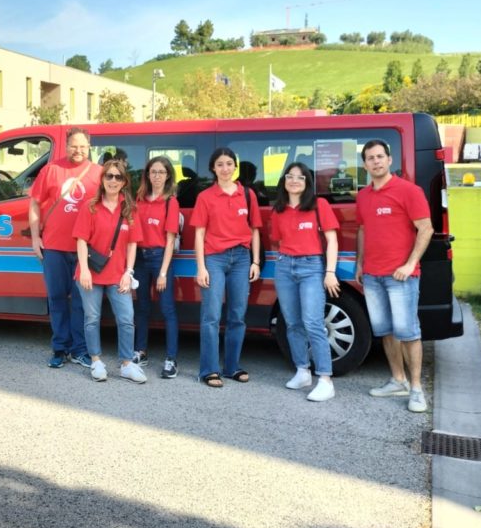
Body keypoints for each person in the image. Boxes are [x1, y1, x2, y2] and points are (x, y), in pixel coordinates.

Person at [355, 139, 434, 413]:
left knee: (409, 332)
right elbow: (364, 230)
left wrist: (411, 264)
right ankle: (397, 380)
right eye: (370, 158)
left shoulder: (408, 191)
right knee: (386, 332)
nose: (375, 162)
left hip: (401, 276)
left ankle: (416, 390)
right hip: (373, 276)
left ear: (390, 160)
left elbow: (426, 229)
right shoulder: (363, 196)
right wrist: (360, 263)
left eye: (380, 157)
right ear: (364, 164)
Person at [29, 128, 102, 369]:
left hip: (85, 251)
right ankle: (60, 348)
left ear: (89, 146)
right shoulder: (51, 170)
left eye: (82, 146)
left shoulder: (99, 174)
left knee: (82, 302)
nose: (78, 150)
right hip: (54, 247)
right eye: (73, 146)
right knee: (57, 299)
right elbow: (35, 203)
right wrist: (34, 237)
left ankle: (80, 350)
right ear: (66, 146)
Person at [270, 162, 341, 402]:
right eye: (290, 177)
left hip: (312, 267)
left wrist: (329, 272)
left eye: (300, 178)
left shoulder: (319, 205)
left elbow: (332, 240)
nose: (294, 181)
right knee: (292, 323)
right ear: (284, 181)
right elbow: (278, 241)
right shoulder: (278, 210)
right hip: (285, 266)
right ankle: (302, 371)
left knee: (313, 323)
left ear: (307, 182)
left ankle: (325, 379)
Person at [194, 146, 262, 387]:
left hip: (242, 259)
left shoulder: (247, 195)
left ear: (235, 166)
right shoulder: (205, 197)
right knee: (211, 315)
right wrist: (201, 267)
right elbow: (199, 234)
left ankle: (232, 367)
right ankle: (209, 370)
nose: (225, 168)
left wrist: (255, 261)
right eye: (220, 164)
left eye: (229, 164)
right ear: (213, 168)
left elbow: (255, 230)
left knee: (237, 315)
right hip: (214, 258)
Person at [74, 159, 146, 383]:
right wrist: (84, 270)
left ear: (124, 182)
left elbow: (133, 243)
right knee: (92, 318)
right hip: (91, 274)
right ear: (102, 179)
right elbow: (81, 240)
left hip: (118, 275)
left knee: (126, 319)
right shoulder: (90, 206)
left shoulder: (129, 209)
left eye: (118, 177)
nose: (113, 181)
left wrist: (129, 272)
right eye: (109, 176)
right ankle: (96, 362)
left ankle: (126, 364)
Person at [132, 156, 181, 378]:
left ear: (168, 175)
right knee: (141, 307)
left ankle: (171, 359)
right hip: (140, 259)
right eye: (153, 172)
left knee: (167, 309)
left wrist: (163, 272)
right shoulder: (139, 199)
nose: (157, 176)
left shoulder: (171, 201)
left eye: (161, 172)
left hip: (160, 258)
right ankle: (141, 351)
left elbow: (170, 239)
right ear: (148, 174)